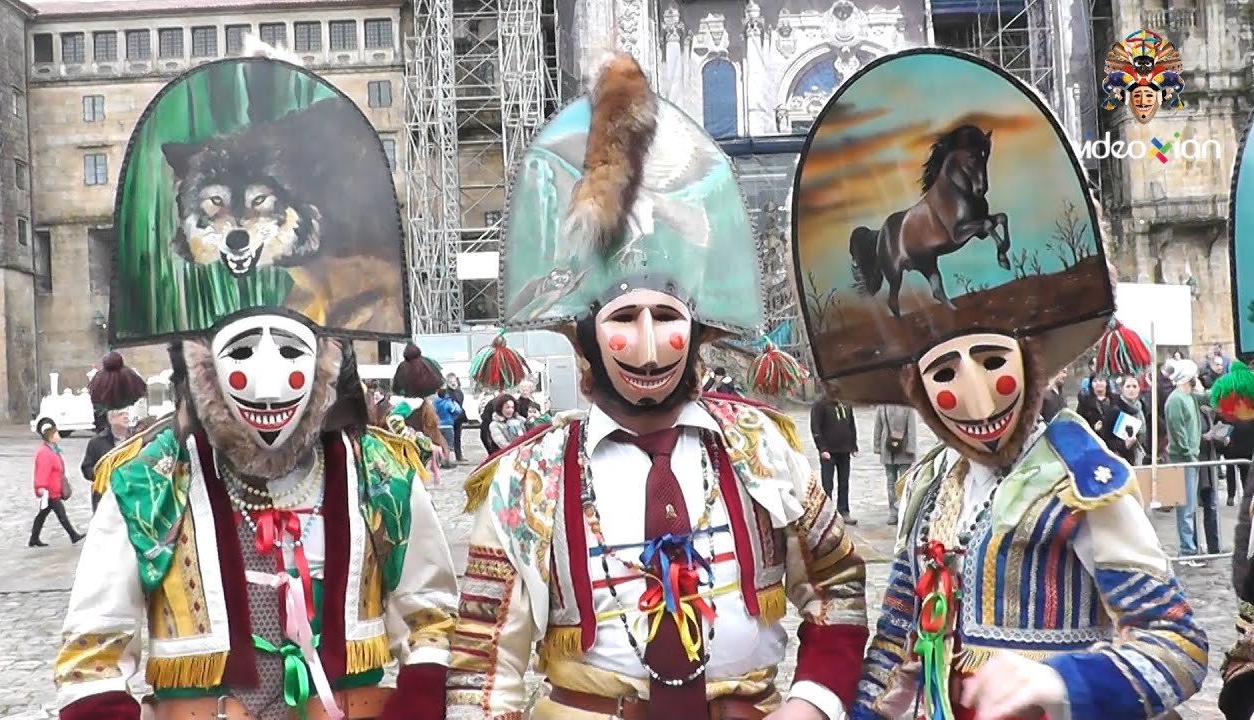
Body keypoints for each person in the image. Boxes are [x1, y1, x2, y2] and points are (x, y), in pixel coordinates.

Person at [447, 53, 869, 720]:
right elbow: (481, 657)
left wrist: (812, 703)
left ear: (698, 329)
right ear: (586, 337)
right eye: (624, 321)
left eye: (667, 319)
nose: (648, 348)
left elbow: (838, 586)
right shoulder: (527, 478)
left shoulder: (762, 448)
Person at [785, 49, 1205, 720]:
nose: (977, 396)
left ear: (1030, 363)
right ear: (920, 392)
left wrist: (1060, 682)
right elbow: (894, 641)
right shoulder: (928, 487)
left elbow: (1178, 646)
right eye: (944, 373)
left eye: (991, 360)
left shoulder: (1081, 481)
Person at [54, 56, 457, 720]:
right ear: (205, 368)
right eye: (241, 351)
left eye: (291, 351)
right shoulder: (149, 482)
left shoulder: (380, 474)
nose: (269, 379)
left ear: (323, 364)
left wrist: (418, 698)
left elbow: (433, 613)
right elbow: (92, 650)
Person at [1165, 358, 1204, 564]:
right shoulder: (1176, 400)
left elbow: (1205, 396)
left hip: (1191, 456)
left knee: (1190, 506)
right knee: (1185, 507)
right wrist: (1188, 452)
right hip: (1183, 458)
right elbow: (1177, 429)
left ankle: (1190, 548)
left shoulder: (1189, 396)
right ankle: (1187, 550)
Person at [29, 418, 84, 547]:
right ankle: (73, 535)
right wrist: (41, 487)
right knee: (60, 514)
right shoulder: (44, 453)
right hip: (49, 491)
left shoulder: (52, 450)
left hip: (53, 489)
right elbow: (42, 471)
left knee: (42, 514)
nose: (58, 436)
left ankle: (34, 538)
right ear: (50, 436)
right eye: (56, 434)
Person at [810, 393, 859, 524]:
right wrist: (822, 448)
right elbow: (815, 427)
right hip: (829, 451)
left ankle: (844, 511)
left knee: (844, 482)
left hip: (845, 449)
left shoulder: (846, 402)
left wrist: (853, 444)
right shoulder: (820, 403)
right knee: (828, 484)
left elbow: (851, 423)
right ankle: (827, 514)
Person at [81, 406, 132, 512]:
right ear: (111, 419)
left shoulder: (136, 439)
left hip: (130, 494)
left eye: (127, 413)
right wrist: (103, 475)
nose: (126, 417)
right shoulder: (97, 442)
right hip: (106, 495)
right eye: (121, 414)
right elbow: (86, 468)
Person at [872, 403, 917, 525]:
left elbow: (912, 428)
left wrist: (911, 448)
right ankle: (893, 511)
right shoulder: (882, 406)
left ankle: (905, 510)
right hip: (887, 450)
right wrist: (877, 446)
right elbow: (878, 426)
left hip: (905, 451)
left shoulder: (908, 406)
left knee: (905, 482)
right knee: (891, 482)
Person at [1099, 374, 1147, 466]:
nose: (1131, 390)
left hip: (1141, 454)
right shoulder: (1115, 410)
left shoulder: (1141, 406)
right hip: (1121, 459)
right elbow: (1106, 438)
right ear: (1122, 388)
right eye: (1128, 386)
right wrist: (1124, 445)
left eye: (1134, 386)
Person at [1198, 402, 1226, 554]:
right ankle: (1192, 548)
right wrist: (1204, 437)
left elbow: (1215, 443)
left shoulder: (1207, 413)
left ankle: (1214, 547)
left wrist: (1222, 439)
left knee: (1211, 506)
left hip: (1209, 464)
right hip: (1197, 464)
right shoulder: (1189, 408)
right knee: (1192, 509)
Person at [433, 388, 460, 469]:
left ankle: (438, 462)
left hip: (437, 426)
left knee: (438, 444)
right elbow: (457, 411)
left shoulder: (434, 403)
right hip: (448, 425)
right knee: (447, 445)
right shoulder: (447, 402)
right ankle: (446, 462)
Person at [445, 372, 467, 462]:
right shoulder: (446, 393)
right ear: (447, 382)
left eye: (454, 381)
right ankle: (446, 457)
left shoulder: (459, 392)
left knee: (457, 437)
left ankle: (459, 455)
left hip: (458, 418)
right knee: (448, 438)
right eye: (450, 381)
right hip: (449, 418)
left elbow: (460, 403)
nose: (453, 383)